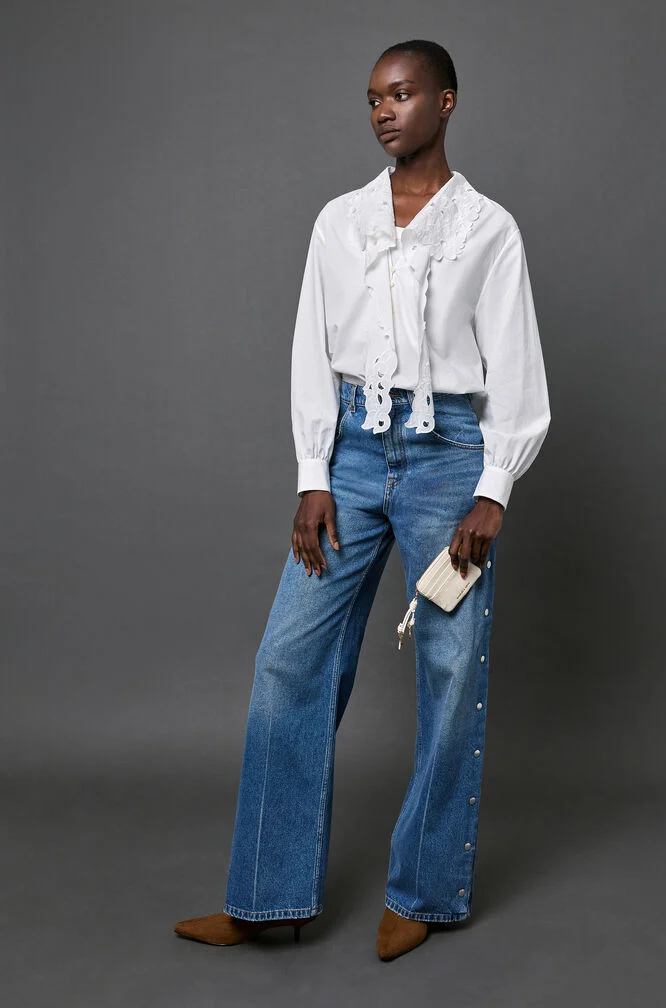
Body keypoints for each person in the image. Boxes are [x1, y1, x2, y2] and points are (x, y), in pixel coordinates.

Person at [174, 38, 551, 961]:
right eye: (374, 98)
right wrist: (313, 472)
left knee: (451, 673)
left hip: (449, 458)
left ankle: (424, 890)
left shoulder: (488, 230)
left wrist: (493, 490)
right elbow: (312, 346)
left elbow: (516, 368)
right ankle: (267, 897)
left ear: (446, 101)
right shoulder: (338, 222)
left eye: (403, 93)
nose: (384, 110)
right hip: (348, 450)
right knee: (289, 661)